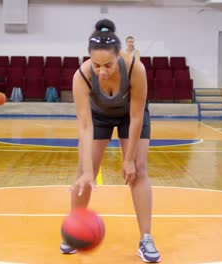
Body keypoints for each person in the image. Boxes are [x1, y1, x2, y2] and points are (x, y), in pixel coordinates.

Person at [61, 19, 160, 263]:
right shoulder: (81, 76)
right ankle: (74, 231)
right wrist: (86, 171)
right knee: (85, 174)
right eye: (96, 65)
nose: (102, 71)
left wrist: (128, 160)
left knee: (138, 170)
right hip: (99, 116)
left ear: (119, 56)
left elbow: (136, 116)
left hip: (131, 116)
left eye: (108, 64)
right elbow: (84, 126)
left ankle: (145, 238)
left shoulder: (136, 68)